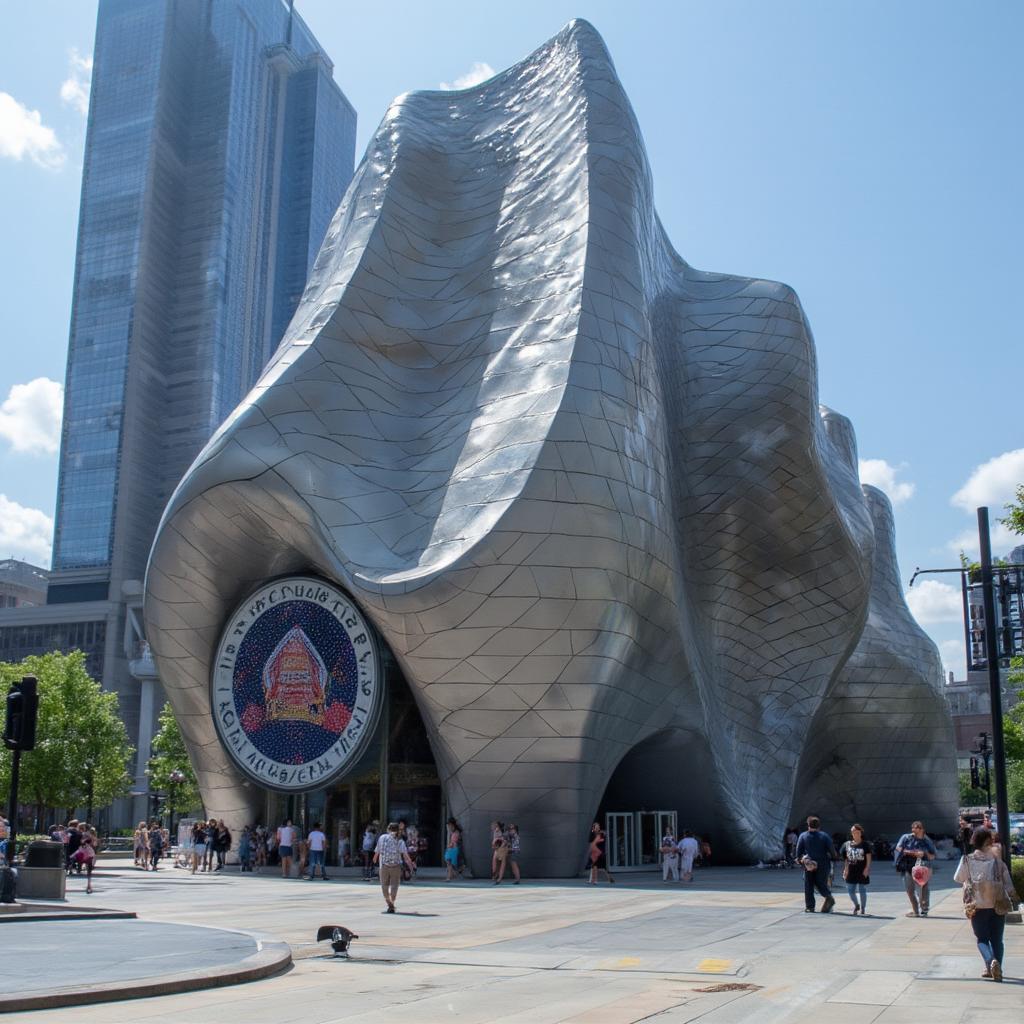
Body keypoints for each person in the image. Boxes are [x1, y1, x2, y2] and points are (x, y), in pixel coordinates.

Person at [955, 827, 1016, 981]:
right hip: (997, 904)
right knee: (997, 939)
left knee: (982, 938)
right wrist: (1014, 897)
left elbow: (958, 878)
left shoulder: (967, 860)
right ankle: (998, 968)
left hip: (977, 906)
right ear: (989, 842)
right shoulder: (997, 861)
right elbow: (1008, 883)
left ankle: (990, 962)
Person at [894, 820, 936, 917]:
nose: (915, 830)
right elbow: (898, 848)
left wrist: (924, 853)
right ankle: (915, 910)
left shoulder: (926, 841)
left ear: (922, 829)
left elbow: (932, 856)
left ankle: (924, 909)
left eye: (918, 828)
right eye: (914, 827)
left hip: (921, 868)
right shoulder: (906, 837)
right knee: (909, 890)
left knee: (922, 889)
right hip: (907, 866)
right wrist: (913, 853)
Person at [796, 816, 836, 913]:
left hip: (809, 864)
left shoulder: (803, 836)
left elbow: (798, 851)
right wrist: (834, 858)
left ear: (808, 825)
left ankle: (810, 907)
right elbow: (832, 851)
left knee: (808, 885)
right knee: (820, 882)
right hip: (823, 863)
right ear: (819, 825)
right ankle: (828, 896)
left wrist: (800, 860)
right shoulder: (824, 836)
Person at [374, 821, 416, 913]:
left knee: (384, 886)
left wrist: (375, 859)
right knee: (394, 886)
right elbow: (405, 856)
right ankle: (391, 903)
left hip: (384, 866)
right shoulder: (400, 841)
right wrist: (411, 865)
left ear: (388, 829)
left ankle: (389, 903)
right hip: (396, 867)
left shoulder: (382, 838)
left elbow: (377, 851)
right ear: (398, 831)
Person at [839, 823, 871, 915]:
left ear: (860, 832)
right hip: (851, 870)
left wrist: (867, 868)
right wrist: (845, 869)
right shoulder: (847, 844)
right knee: (850, 890)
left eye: (856, 832)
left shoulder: (865, 844)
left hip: (861, 869)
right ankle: (856, 905)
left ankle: (863, 908)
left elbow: (868, 857)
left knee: (862, 890)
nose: (854, 833)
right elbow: (846, 859)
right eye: (853, 832)